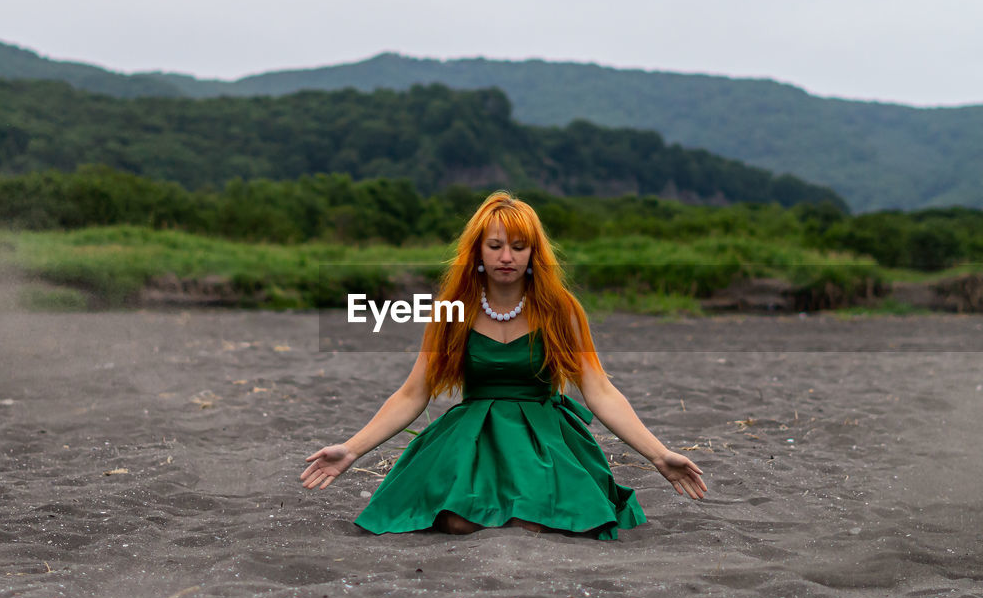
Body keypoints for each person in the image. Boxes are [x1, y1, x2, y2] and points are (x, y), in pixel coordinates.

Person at [300, 191, 706, 539]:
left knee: (533, 521)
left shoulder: (561, 310)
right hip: (473, 436)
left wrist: (659, 455)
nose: (506, 257)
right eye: (495, 246)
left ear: (534, 252)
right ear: (477, 250)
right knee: (458, 522)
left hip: (543, 437)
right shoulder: (451, 312)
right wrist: (350, 451)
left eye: (518, 246)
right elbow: (412, 393)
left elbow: (599, 391)